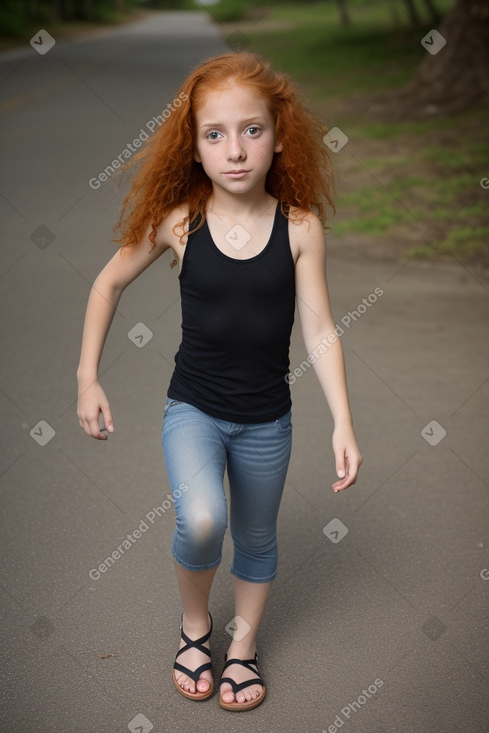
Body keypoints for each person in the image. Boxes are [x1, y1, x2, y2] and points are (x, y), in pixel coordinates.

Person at [76, 51, 362, 712]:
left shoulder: (299, 228)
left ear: (279, 135)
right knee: (203, 520)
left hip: (268, 418)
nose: (235, 150)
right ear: (194, 146)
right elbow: (107, 282)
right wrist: (87, 377)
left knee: (257, 538)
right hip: (194, 410)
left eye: (251, 130)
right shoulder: (181, 219)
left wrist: (344, 420)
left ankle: (242, 647)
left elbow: (318, 326)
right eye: (214, 134)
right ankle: (196, 626)